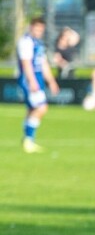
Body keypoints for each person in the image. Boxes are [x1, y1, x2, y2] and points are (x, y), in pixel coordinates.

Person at [17, 17, 60, 153]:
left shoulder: (39, 43)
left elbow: (43, 64)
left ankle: (27, 139)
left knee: (32, 109)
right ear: (31, 27)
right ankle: (28, 139)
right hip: (29, 79)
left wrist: (51, 81)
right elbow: (26, 63)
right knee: (41, 107)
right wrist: (32, 81)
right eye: (36, 29)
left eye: (41, 30)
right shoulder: (26, 42)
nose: (39, 32)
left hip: (39, 78)